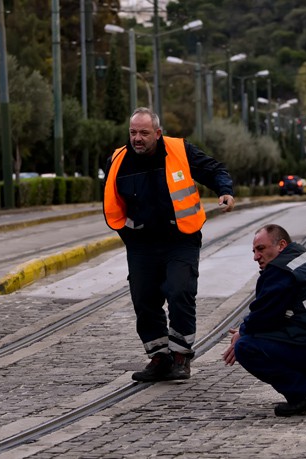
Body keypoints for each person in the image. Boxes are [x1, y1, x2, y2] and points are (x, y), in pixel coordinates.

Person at [103, 107, 235, 382]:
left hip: (180, 239)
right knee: (144, 299)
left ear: (158, 133)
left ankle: (180, 356)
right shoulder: (118, 160)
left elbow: (214, 169)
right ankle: (159, 357)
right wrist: (129, 237)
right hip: (141, 244)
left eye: (143, 133)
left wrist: (224, 191)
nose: (137, 138)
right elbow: (112, 203)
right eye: (133, 132)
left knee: (179, 291)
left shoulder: (179, 150)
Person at [222, 224, 306, 417]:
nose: (255, 257)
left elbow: (263, 316)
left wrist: (242, 332)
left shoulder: (281, 270)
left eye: (261, 249)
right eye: (254, 251)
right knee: (281, 327)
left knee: (246, 347)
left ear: (281, 245)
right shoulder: (302, 259)